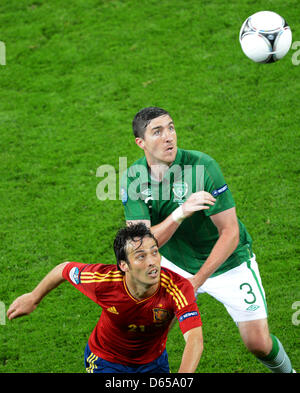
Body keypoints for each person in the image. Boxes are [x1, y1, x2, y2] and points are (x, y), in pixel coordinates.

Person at [121, 106, 295, 373]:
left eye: (171, 127)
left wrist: (197, 281)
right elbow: (141, 245)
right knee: (146, 330)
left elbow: (230, 232)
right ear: (140, 142)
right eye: (158, 131)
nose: (169, 136)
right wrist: (180, 213)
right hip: (176, 262)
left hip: (228, 262)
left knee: (258, 343)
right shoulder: (134, 177)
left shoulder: (203, 167)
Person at [7, 223, 203, 373]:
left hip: (153, 363)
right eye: (141, 256)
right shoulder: (103, 281)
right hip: (106, 361)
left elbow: (194, 339)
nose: (153, 262)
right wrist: (34, 297)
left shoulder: (177, 287)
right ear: (124, 265)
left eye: (154, 252)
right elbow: (64, 269)